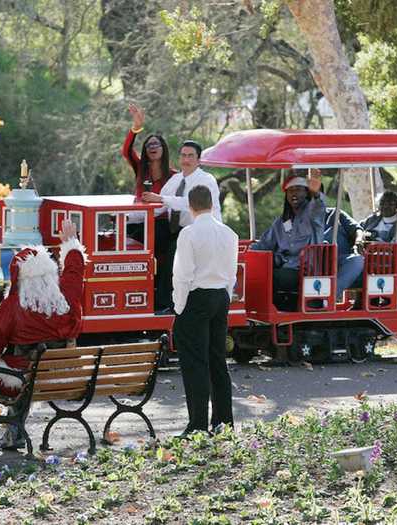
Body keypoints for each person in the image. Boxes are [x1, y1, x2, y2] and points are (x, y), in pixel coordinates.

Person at [0, 220, 86, 453]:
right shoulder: (66, 297)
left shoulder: (12, 307)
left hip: (24, 379)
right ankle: (13, 433)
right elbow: (75, 272)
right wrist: (71, 243)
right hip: (59, 375)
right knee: (20, 371)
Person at [171, 184, 238, 436]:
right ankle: (224, 422)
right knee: (217, 360)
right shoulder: (229, 233)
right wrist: (226, 298)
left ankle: (197, 424)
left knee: (195, 363)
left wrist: (179, 306)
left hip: (197, 297)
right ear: (212, 203)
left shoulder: (189, 233)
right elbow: (232, 273)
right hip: (220, 295)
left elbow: (182, 274)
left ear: (190, 206)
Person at [142, 140, 222, 312]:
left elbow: (192, 203)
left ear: (199, 160)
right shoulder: (176, 179)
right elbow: (158, 206)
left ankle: (165, 304)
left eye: (191, 156)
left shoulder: (206, 180)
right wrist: (129, 217)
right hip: (180, 229)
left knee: (174, 250)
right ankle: (142, 290)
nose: (186, 160)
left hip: (203, 233)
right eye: (183, 155)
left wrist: (161, 199)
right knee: (143, 234)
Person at [121, 103, 176, 309]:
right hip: (138, 224)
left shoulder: (173, 175)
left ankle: (162, 301)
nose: (152, 147)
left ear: (164, 150)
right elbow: (126, 150)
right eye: (149, 145)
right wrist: (136, 128)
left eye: (157, 145)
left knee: (172, 248)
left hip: (161, 226)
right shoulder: (139, 169)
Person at [250, 170, 325, 309]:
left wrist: (316, 192)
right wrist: (245, 254)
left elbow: (318, 205)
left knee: (270, 278)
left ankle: (272, 309)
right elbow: (264, 244)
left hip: (305, 270)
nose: (293, 194)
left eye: (298, 189)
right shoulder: (282, 221)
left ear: (306, 193)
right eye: (290, 191)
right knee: (255, 273)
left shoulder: (313, 215)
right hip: (285, 267)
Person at [324, 208, 364, 297]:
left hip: (339, 260)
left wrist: (358, 241)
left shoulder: (335, 213)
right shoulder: (301, 218)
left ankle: (328, 298)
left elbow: (357, 229)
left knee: (357, 260)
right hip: (314, 260)